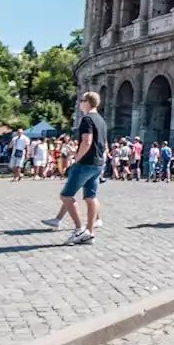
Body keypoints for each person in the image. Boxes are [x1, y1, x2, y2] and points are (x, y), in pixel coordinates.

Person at [60, 92, 108, 246]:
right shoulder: (101, 120)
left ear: (87, 102)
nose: (80, 104)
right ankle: (90, 232)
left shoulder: (87, 119)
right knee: (90, 197)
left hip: (85, 163)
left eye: (81, 101)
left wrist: (76, 159)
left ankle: (79, 229)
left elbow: (87, 142)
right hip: (97, 163)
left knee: (66, 196)